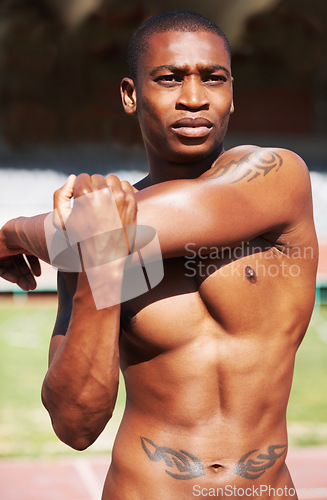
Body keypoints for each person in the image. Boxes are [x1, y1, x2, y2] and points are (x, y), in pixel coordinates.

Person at [0, 10, 318, 500]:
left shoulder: (277, 176)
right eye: (169, 79)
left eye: (213, 79)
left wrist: (14, 232)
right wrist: (98, 268)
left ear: (233, 93)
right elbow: (76, 425)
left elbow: (149, 220)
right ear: (131, 95)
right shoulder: (91, 230)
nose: (193, 99)